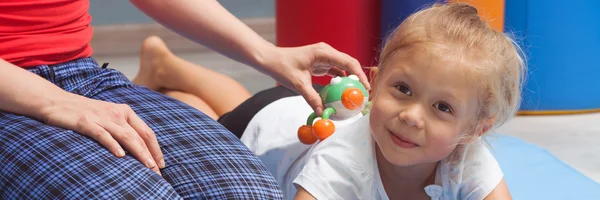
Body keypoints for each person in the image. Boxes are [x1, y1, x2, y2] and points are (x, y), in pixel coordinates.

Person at [138, 3, 527, 199]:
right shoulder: (344, 162)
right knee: (221, 114)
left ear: (474, 130)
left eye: (442, 108)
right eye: (403, 90)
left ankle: (165, 64)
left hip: (299, 115)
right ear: (373, 85)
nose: (411, 116)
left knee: (243, 99)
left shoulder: (468, 158)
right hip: (261, 128)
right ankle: (171, 78)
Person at [0, 0, 371, 199]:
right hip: (14, 96)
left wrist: (267, 54)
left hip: (83, 74)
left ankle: (161, 73)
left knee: (249, 193)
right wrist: (53, 102)